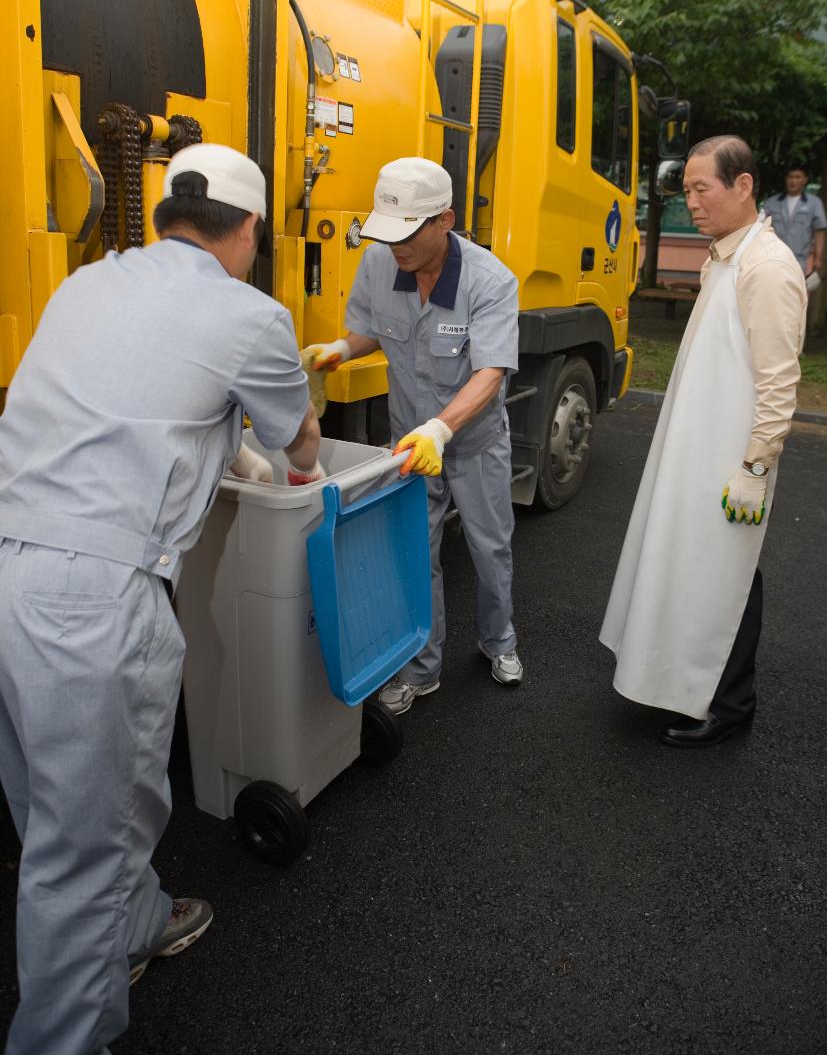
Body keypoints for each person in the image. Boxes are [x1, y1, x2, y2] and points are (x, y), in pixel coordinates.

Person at [0, 143, 323, 1055]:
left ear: (163, 214)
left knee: (52, 802)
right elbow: (298, 442)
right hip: (92, 595)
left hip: (8, 557)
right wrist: (285, 446)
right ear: (249, 227)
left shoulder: (84, 284)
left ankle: (134, 926)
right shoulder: (250, 314)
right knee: (82, 851)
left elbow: (128, 403)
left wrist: (219, 436)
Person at [600, 136, 807, 748]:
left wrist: (754, 467)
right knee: (701, 570)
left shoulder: (766, 268)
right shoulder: (727, 256)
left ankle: (728, 706)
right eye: (685, 189)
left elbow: (779, 384)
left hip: (732, 463)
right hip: (701, 452)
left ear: (742, 186)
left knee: (731, 577)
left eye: (701, 189)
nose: (690, 201)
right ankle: (680, 679)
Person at [310, 157, 522, 714]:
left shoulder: (490, 281)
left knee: (490, 548)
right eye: (387, 232)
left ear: (445, 220)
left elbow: (491, 371)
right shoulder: (379, 265)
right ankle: (420, 668)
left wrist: (442, 428)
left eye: (407, 234)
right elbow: (368, 333)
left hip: (472, 446)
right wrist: (339, 350)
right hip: (408, 449)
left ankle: (498, 641)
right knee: (413, 555)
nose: (395, 247)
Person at [761, 164, 827, 280]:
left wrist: (818, 258)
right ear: (786, 179)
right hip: (773, 258)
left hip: (799, 260)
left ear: (805, 180)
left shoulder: (814, 203)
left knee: (795, 295)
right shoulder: (772, 202)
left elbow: (820, 231)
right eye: (790, 177)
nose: (793, 181)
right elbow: (760, 227)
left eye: (798, 177)